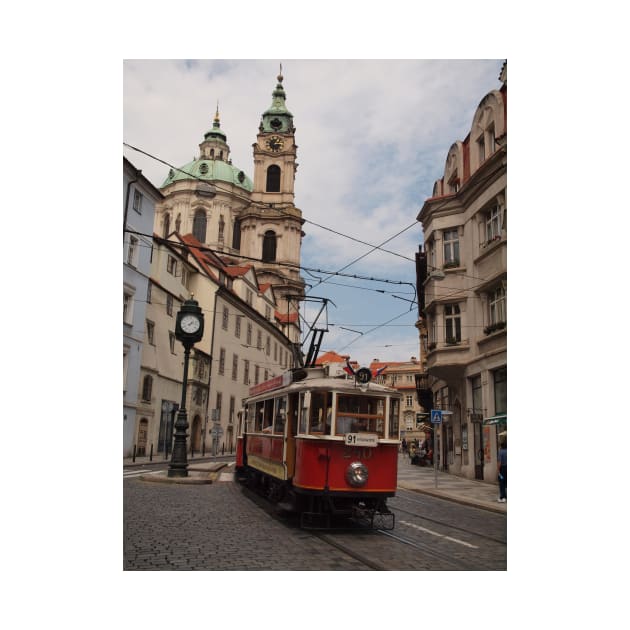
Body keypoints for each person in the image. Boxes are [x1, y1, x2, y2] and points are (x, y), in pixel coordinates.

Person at [497, 438, 507, 502]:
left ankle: (503, 497)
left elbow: (499, 462)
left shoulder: (501, 452)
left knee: (502, 482)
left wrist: (498, 470)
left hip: (503, 469)